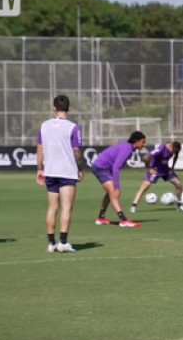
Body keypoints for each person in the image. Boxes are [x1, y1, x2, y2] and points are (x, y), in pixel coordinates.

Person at [36, 95, 84, 253]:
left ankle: (51, 243)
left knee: (52, 208)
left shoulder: (44, 126)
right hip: (67, 172)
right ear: (69, 108)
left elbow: (39, 149)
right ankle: (63, 242)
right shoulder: (73, 127)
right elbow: (76, 151)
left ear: (54, 108)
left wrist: (39, 169)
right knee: (66, 207)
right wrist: (80, 169)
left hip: (50, 171)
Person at [91, 131, 146, 227]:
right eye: (142, 142)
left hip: (104, 168)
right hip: (101, 168)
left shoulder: (129, 149)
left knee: (110, 192)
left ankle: (101, 218)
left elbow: (115, 166)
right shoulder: (127, 149)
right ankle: (123, 220)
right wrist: (117, 186)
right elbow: (116, 167)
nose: (144, 144)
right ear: (136, 141)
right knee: (113, 191)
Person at [130, 141, 183, 213]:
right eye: (173, 151)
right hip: (155, 169)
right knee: (145, 186)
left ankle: (180, 206)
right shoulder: (161, 149)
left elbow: (176, 156)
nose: (173, 153)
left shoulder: (175, 149)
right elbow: (145, 158)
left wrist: (172, 168)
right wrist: (149, 169)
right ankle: (134, 205)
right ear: (170, 146)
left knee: (178, 184)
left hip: (165, 170)